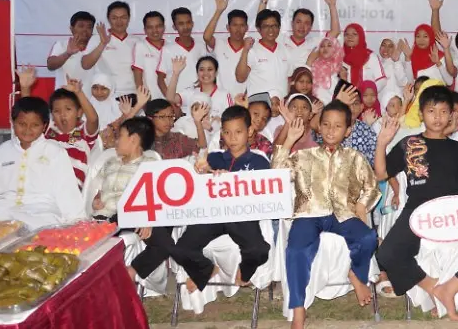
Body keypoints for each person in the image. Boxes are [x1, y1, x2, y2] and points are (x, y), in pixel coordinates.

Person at [375, 86, 458, 322]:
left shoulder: (457, 148)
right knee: (387, 253)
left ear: (451, 115)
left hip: (455, 210)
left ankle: (450, 288)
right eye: (431, 111)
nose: (437, 117)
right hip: (418, 210)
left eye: (443, 112)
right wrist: (382, 143)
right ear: (422, 114)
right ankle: (432, 286)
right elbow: (380, 175)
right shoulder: (409, 144)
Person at [272, 101, 380, 329]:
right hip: (309, 213)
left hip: (343, 213)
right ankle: (298, 308)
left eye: (338, 126)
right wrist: (289, 139)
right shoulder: (305, 156)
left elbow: (372, 188)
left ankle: (357, 275)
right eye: (326, 125)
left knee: (368, 238)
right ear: (319, 127)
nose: (331, 130)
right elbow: (276, 175)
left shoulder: (355, 157)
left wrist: (361, 206)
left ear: (347, 130)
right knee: (296, 250)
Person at [174, 106, 272, 293]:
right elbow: (196, 183)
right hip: (213, 215)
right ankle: (206, 270)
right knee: (180, 249)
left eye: (238, 132)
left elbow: (264, 195)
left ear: (250, 131)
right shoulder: (214, 158)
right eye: (227, 132)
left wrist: (233, 181)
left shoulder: (260, 162)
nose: (232, 138)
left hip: (242, 216)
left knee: (258, 250)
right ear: (221, 134)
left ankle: (244, 272)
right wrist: (204, 173)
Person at [0, 97, 85, 228]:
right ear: (13, 122)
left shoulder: (55, 153)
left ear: (44, 126)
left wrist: (77, 223)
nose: (27, 130)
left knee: (38, 228)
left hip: (40, 211)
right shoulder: (3, 150)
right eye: (22, 124)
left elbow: (67, 191)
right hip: (3, 208)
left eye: (35, 125)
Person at [91, 117, 174, 283]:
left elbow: (158, 196)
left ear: (133, 139)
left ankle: (131, 271)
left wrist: (148, 219)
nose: (116, 141)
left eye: (120, 136)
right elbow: (98, 189)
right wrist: (96, 199)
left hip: (131, 214)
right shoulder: (110, 162)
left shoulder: (150, 165)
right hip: (103, 218)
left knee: (165, 244)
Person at [258, 0, 341, 74]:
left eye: (306, 23)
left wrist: (332, 6)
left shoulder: (316, 43)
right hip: (280, 85)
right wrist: (264, 0)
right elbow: (261, 23)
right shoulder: (280, 39)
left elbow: (335, 32)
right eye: (298, 22)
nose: (302, 26)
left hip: (305, 87)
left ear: (311, 27)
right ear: (292, 23)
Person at [44, 78, 100, 190]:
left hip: (71, 187)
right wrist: (25, 88)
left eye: (68, 109)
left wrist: (78, 92)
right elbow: (29, 118)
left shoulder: (83, 132)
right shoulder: (48, 129)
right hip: (45, 183)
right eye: (57, 111)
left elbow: (93, 119)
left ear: (79, 112)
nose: (62, 115)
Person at [83, 1, 138, 101]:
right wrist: (103, 44)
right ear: (108, 19)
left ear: (129, 18)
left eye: (123, 17)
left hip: (133, 96)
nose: (119, 21)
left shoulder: (137, 41)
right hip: (106, 96)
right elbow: (85, 65)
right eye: (114, 18)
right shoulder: (97, 39)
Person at [203, 0, 249, 97]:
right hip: (220, 101)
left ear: (247, 28)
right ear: (228, 27)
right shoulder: (219, 44)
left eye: (242, 25)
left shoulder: (250, 47)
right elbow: (206, 37)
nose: (238, 29)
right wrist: (219, 11)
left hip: (243, 101)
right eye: (234, 25)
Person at [166, 56, 234, 123]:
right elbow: (170, 99)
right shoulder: (190, 92)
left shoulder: (225, 95)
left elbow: (230, 120)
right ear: (197, 73)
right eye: (201, 69)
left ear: (216, 72)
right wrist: (175, 74)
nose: (205, 73)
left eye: (210, 69)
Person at [47, 11, 106, 89]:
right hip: (65, 97)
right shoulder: (61, 45)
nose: (85, 30)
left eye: (89, 27)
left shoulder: (99, 46)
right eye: (81, 26)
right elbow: (50, 65)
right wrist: (67, 54)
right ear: (71, 28)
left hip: (90, 99)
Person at [158, 7, 208, 95]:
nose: (185, 27)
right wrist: (171, 101)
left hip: (199, 98)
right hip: (177, 99)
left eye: (188, 22)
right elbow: (160, 79)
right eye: (181, 23)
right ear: (174, 27)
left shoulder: (201, 46)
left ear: (192, 24)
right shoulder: (167, 49)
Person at [129, 11, 167, 99]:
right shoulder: (140, 46)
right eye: (150, 27)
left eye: (158, 26)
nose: (155, 30)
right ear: (145, 30)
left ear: (164, 27)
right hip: (150, 99)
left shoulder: (170, 47)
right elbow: (138, 77)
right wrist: (144, 100)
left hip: (170, 99)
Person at [342, 23, 386, 90]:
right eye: (346, 34)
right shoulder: (339, 57)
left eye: (354, 34)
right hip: (344, 97)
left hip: (367, 98)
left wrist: (368, 93)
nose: (350, 37)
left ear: (361, 36)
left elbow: (381, 80)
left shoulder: (371, 56)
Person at [309, 37, 345, 104]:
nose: (325, 48)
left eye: (329, 45)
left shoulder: (341, 70)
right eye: (322, 46)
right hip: (316, 108)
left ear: (336, 48)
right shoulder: (314, 67)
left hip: (334, 109)